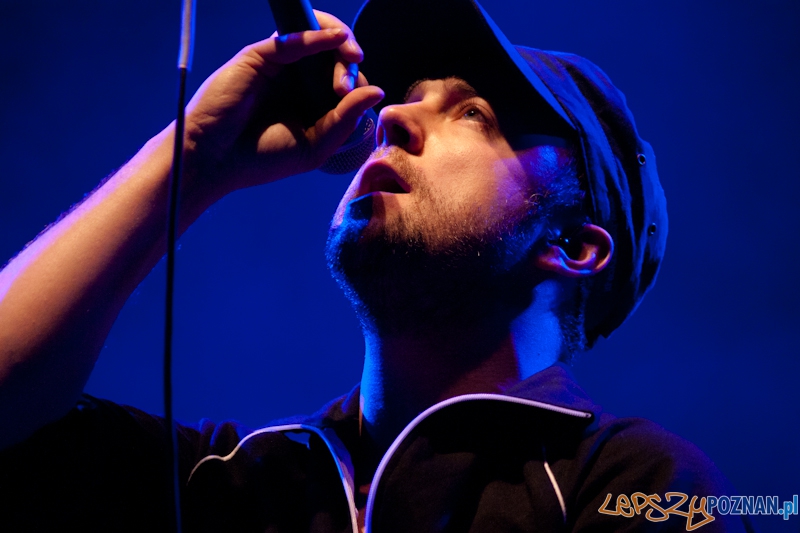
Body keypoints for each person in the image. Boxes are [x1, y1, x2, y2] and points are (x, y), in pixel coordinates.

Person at [0, 0, 752, 531]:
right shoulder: (228, 482)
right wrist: (192, 160)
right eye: (408, 97)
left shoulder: (646, 487)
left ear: (574, 246)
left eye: (472, 114)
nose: (390, 115)